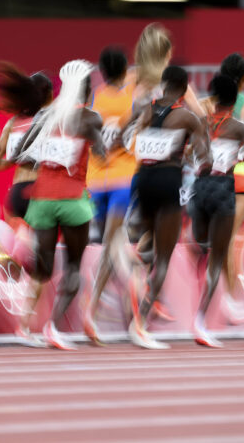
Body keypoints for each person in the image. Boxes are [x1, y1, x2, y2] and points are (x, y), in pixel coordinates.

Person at [14, 59, 105, 350]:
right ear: (89, 90)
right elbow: (103, 154)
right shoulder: (90, 118)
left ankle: (24, 326)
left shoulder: (46, 117)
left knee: (44, 268)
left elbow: (20, 152)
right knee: (75, 266)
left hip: (41, 200)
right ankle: (53, 326)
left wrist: (47, 155)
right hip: (72, 200)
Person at [127, 65, 210, 349]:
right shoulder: (187, 116)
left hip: (143, 181)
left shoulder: (146, 110)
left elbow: (130, 139)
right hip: (167, 181)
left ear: (163, 86)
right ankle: (139, 325)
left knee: (147, 245)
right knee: (164, 257)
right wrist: (189, 153)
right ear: (185, 89)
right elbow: (205, 158)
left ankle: (134, 273)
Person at [188, 74, 244, 348]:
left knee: (201, 243)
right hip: (224, 189)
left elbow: (188, 152)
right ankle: (200, 322)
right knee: (217, 254)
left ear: (212, 97)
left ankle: (200, 255)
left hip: (200, 189)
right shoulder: (240, 128)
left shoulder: (199, 123)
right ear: (235, 99)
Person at [83, 47, 137, 343]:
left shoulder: (94, 99)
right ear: (124, 69)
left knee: (116, 242)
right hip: (121, 181)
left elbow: (89, 140)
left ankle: (129, 312)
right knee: (111, 244)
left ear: (101, 71)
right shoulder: (133, 98)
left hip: (96, 183)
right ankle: (93, 307)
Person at [213, 52, 244, 324]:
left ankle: (228, 297)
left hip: (210, 176)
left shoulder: (209, 104)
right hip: (240, 175)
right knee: (230, 239)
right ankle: (231, 299)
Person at [0, 64, 53, 223]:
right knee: (42, 244)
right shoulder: (55, 121)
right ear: (50, 95)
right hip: (45, 192)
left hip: (17, 191)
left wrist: (15, 158)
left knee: (18, 242)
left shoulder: (13, 123)